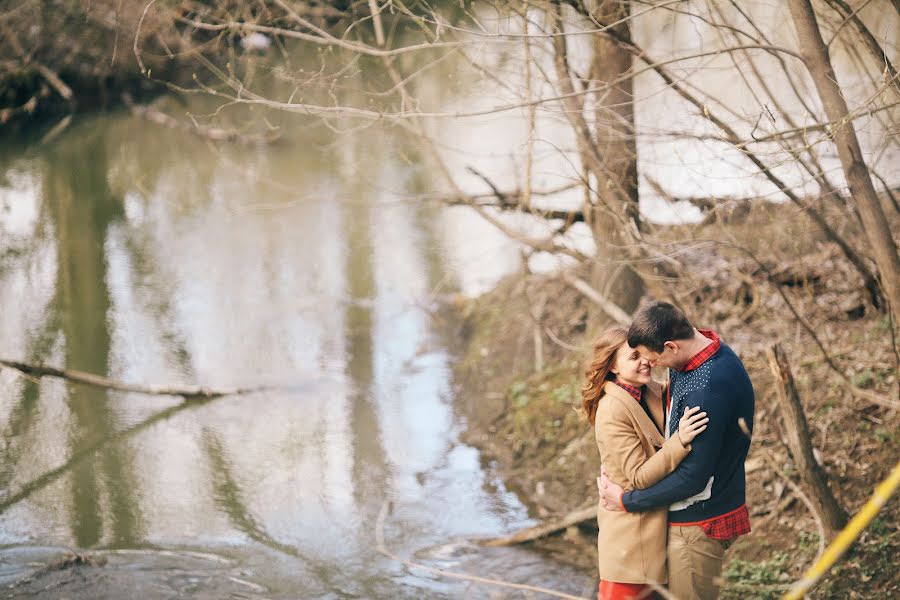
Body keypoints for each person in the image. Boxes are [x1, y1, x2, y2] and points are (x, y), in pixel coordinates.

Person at [598, 300, 755, 600]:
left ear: (671, 346)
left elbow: (693, 478)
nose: (651, 365)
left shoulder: (705, 389)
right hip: (690, 516)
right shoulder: (702, 354)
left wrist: (627, 501)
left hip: (696, 522)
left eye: (652, 358)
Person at [583, 327, 710, 600]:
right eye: (633, 357)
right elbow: (639, 476)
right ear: (613, 366)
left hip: (657, 531)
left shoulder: (647, 389)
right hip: (631, 540)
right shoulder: (612, 409)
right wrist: (681, 440)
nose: (645, 361)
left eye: (644, 353)